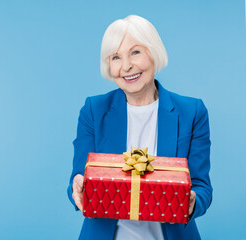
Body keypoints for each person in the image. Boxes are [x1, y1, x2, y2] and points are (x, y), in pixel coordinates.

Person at [66, 15, 212, 240]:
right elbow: (79, 177)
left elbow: (202, 187)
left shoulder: (192, 112)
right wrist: (76, 187)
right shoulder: (93, 110)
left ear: (154, 52)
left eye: (135, 52)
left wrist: (192, 201)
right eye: (116, 57)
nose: (126, 66)